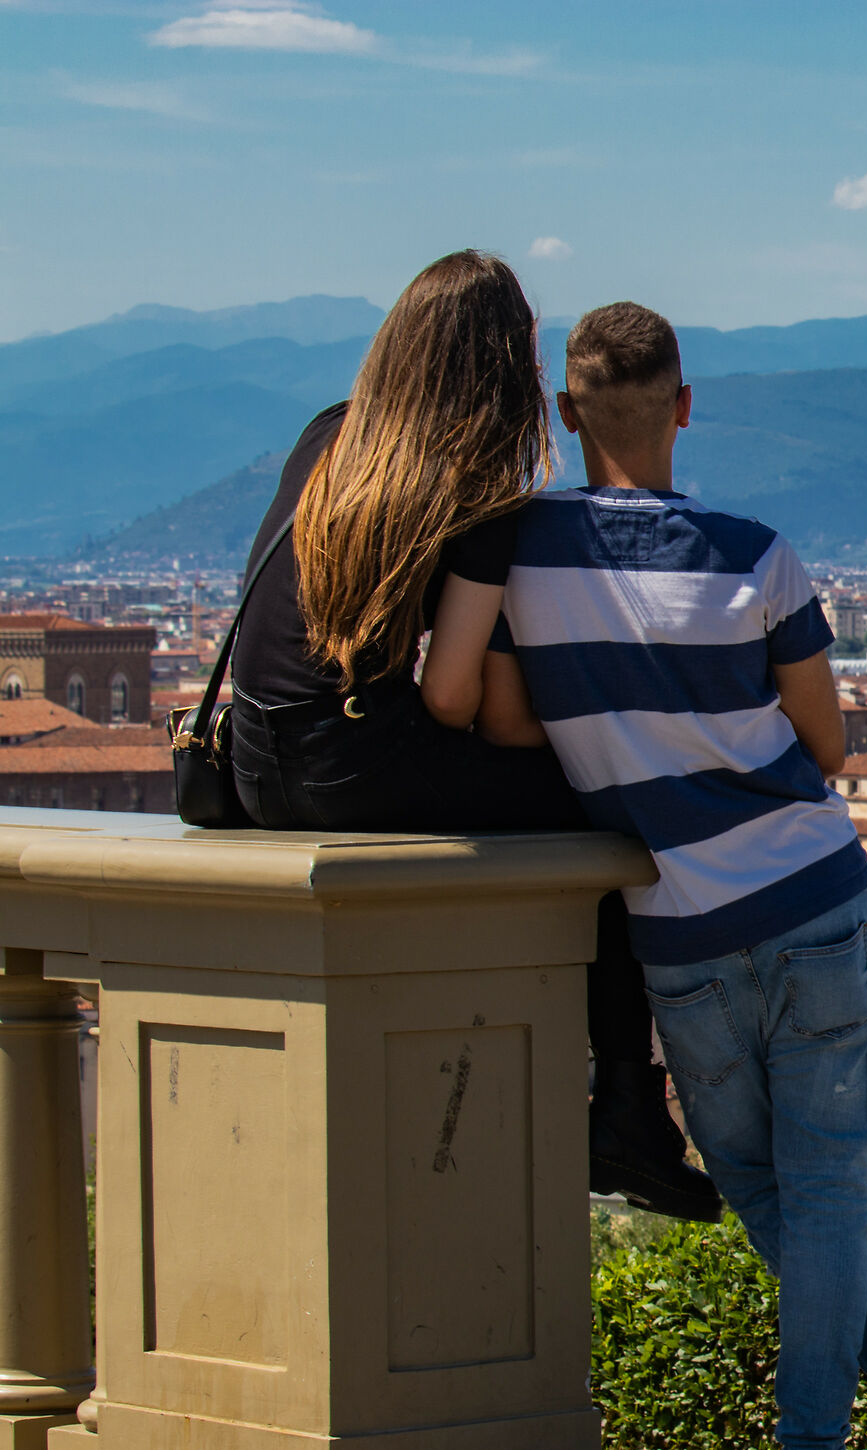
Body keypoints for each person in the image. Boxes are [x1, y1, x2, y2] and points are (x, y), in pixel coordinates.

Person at [420, 300, 867, 1450]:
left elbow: (474, 705)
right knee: (812, 1192)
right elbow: (827, 743)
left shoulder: (514, 553)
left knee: (768, 1193)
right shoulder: (759, 554)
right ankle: (855, 1439)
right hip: (813, 900)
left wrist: (605, 723)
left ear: (565, 414)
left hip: (679, 934)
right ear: (686, 407)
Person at [226, 250, 717, 1224]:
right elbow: (451, 698)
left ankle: (629, 1110)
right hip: (355, 768)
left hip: (248, 766)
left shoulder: (326, 437)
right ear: (504, 364)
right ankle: (629, 1107)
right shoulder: (479, 478)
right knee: (612, 824)